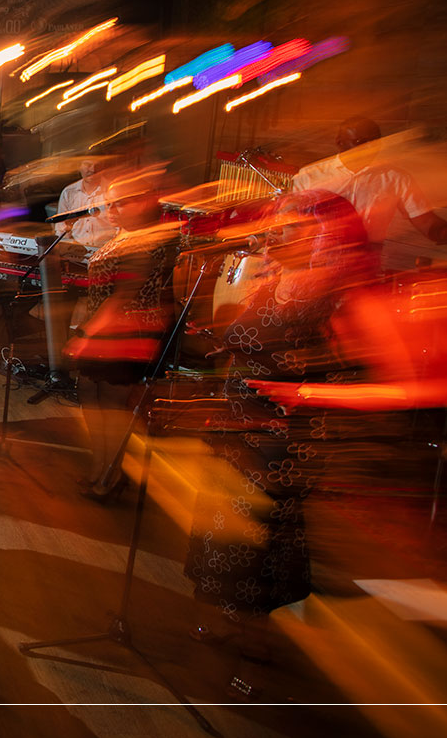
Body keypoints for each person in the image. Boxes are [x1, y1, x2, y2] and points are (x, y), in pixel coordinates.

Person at [181, 191, 379, 700]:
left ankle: (257, 642)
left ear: (323, 236)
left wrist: (304, 392)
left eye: (290, 229)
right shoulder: (272, 280)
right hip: (238, 422)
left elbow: (367, 374)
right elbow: (236, 336)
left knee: (260, 537)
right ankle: (230, 620)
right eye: (275, 228)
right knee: (225, 528)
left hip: (288, 437)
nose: (275, 236)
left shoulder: (342, 294)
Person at [64, 175, 179, 499]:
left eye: (120, 202)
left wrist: (86, 333)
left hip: (126, 336)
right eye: (109, 202)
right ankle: (102, 468)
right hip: (105, 335)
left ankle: (109, 475)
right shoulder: (124, 236)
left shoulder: (145, 240)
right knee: (91, 396)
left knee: (112, 408)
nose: (111, 208)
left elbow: (123, 296)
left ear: (143, 202)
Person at [293, 116, 447, 271]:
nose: (370, 148)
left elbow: (427, 223)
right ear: (340, 142)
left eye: (375, 141)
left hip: (363, 269)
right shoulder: (309, 176)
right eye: (361, 142)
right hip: (314, 267)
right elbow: (293, 224)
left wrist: (442, 232)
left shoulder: (395, 178)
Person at [54, 157, 116, 247]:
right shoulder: (69, 192)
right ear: (79, 166)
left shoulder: (112, 190)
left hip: (106, 249)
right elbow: (61, 228)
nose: (93, 169)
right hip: (77, 250)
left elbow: (121, 226)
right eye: (88, 165)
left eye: (97, 165)